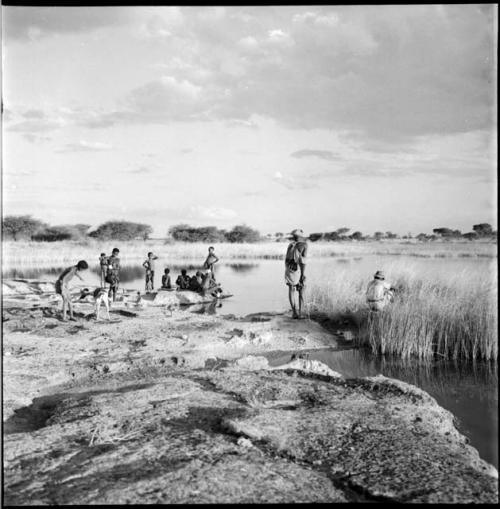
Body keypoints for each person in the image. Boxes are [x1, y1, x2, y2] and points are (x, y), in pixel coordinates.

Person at [285, 228, 308, 319]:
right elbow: (303, 261)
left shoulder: (290, 245)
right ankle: (301, 313)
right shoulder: (304, 245)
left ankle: (294, 313)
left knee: (291, 290)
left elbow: (286, 259)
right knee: (301, 288)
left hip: (289, 268)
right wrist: (302, 274)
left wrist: (288, 268)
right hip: (297, 269)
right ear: (301, 236)